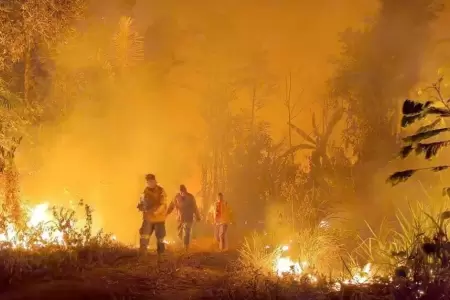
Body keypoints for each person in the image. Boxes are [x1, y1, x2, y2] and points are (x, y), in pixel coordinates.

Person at [137, 173, 168, 256]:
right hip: (148, 218)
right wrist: (140, 206)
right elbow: (141, 202)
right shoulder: (145, 191)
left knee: (160, 238)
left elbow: (163, 204)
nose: (149, 183)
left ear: (154, 181)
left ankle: (161, 256)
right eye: (148, 181)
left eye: (151, 181)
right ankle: (142, 255)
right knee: (144, 236)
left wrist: (157, 212)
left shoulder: (161, 190)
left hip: (158, 218)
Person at [167, 184, 201, 251]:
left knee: (186, 232)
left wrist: (197, 216)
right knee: (179, 234)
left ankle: (186, 247)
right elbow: (172, 205)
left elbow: (195, 207)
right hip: (180, 218)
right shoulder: (176, 197)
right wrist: (167, 212)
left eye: (183, 191)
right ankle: (183, 244)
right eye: (181, 192)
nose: (182, 193)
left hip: (188, 217)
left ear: (185, 191)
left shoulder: (190, 197)